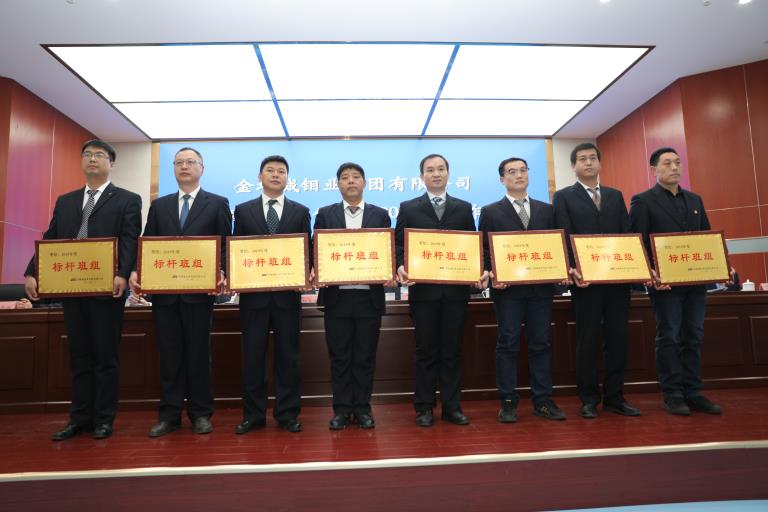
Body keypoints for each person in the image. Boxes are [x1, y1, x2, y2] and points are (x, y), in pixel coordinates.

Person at [24, 139, 141, 440]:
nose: (92, 159)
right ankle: (79, 418)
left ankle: (103, 419)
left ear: (111, 163)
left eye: (99, 155)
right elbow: (51, 238)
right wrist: (32, 272)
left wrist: (123, 274)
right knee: (78, 356)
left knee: (105, 357)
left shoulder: (127, 199)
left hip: (107, 289)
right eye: (87, 154)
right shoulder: (66, 201)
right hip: (72, 287)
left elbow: (130, 239)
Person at [130, 147, 231, 437]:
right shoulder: (159, 206)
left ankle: (201, 413)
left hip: (199, 294)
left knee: (198, 354)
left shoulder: (217, 203)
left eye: (190, 162)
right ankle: (169, 415)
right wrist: (137, 271)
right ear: (173, 168)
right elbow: (148, 243)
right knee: (169, 355)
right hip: (165, 293)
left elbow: (226, 244)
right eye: (179, 162)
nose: (184, 166)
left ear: (202, 168)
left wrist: (223, 271)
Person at [629, 147, 723, 416]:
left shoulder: (694, 200)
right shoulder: (642, 201)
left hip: (695, 282)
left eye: (677, 163)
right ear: (654, 169)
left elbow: (706, 238)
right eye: (667, 163)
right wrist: (651, 273)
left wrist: (720, 263)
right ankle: (672, 393)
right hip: (666, 285)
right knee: (669, 336)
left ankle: (693, 391)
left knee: (693, 336)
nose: (674, 168)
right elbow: (637, 242)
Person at [395, 154, 484, 427]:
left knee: (452, 351)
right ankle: (423, 407)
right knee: (425, 351)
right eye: (430, 170)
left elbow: (471, 246)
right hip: (423, 294)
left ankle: (452, 407)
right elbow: (399, 245)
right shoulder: (408, 207)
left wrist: (476, 270)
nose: (436, 174)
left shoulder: (463, 208)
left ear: (448, 173)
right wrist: (400, 266)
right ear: (422, 176)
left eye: (441, 169)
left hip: (455, 294)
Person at [552, 142, 640, 419]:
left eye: (592, 158)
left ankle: (615, 397)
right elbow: (564, 234)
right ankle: (588, 399)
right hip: (586, 282)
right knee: (587, 340)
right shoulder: (563, 197)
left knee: (618, 339)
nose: (588, 162)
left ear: (600, 163)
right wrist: (573, 268)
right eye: (582, 159)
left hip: (617, 280)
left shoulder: (615, 195)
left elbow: (626, 234)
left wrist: (634, 267)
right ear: (573, 166)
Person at [479, 157, 566, 423]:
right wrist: (492, 273)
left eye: (523, 170)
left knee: (541, 343)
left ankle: (543, 400)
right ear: (502, 179)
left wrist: (561, 270)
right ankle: (508, 401)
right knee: (508, 344)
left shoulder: (547, 210)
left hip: (541, 289)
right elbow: (484, 250)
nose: (519, 175)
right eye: (512, 172)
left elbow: (557, 246)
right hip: (508, 292)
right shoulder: (491, 211)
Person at [233, 155, 311, 434]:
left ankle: (287, 414)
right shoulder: (243, 211)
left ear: (287, 178)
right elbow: (236, 250)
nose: (276, 175)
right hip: (253, 298)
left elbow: (308, 250)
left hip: (287, 298)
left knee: (288, 358)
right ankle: (253, 415)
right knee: (253, 358)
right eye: (270, 170)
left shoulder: (300, 211)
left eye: (281, 171)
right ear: (260, 176)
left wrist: (308, 272)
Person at [314, 162, 392, 430]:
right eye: (345, 177)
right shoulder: (325, 214)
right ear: (338, 184)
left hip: (368, 298)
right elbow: (317, 250)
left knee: (365, 357)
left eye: (356, 177)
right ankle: (341, 409)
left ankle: (362, 408)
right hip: (337, 298)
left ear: (364, 182)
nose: (350, 181)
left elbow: (386, 251)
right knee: (339, 357)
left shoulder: (380, 215)